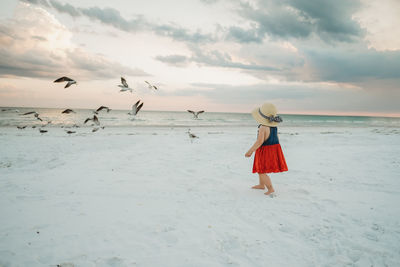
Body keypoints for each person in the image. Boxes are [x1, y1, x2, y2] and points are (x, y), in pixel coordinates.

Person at [245, 103, 288, 196]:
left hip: (264, 150)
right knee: (260, 168)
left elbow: (259, 141)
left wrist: (250, 150)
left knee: (261, 171)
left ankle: (270, 188)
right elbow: (277, 138)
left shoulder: (262, 127)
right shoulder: (274, 127)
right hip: (273, 148)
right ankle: (261, 185)